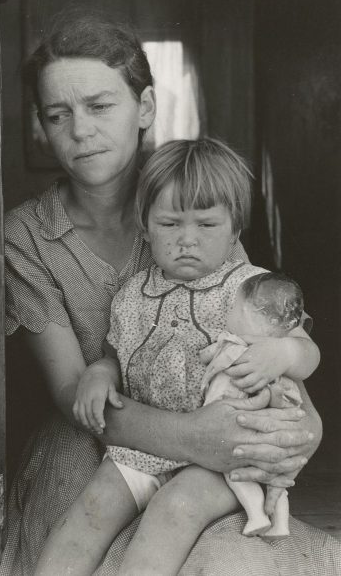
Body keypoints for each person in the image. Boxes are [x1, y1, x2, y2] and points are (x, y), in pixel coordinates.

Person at [0, 8, 339, 576]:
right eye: (59, 115)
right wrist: (193, 437)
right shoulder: (26, 237)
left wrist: (300, 428)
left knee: (229, 550)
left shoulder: (193, 212)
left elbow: (263, 334)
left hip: (212, 434)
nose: (81, 130)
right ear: (42, 125)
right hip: (97, 437)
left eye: (101, 106)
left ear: (147, 109)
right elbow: (72, 393)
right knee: (85, 516)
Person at [33, 138, 320, 576]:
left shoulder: (252, 288)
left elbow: (307, 350)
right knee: (92, 506)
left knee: (174, 508)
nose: (187, 241)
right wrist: (99, 373)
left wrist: (282, 352)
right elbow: (116, 355)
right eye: (169, 224)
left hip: (226, 456)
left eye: (206, 225)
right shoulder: (131, 296)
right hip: (148, 447)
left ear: (235, 231)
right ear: (145, 227)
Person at [201, 271, 305, 541]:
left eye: (234, 307)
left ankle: (256, 515)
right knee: (274, 479)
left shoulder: (233, 344)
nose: (230, 312)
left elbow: (210, 357)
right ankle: (280, 524)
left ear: (248, 314)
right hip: (271, 433)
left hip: (237, 424)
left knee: (236, 473)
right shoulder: (278, 354)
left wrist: (206, 353)